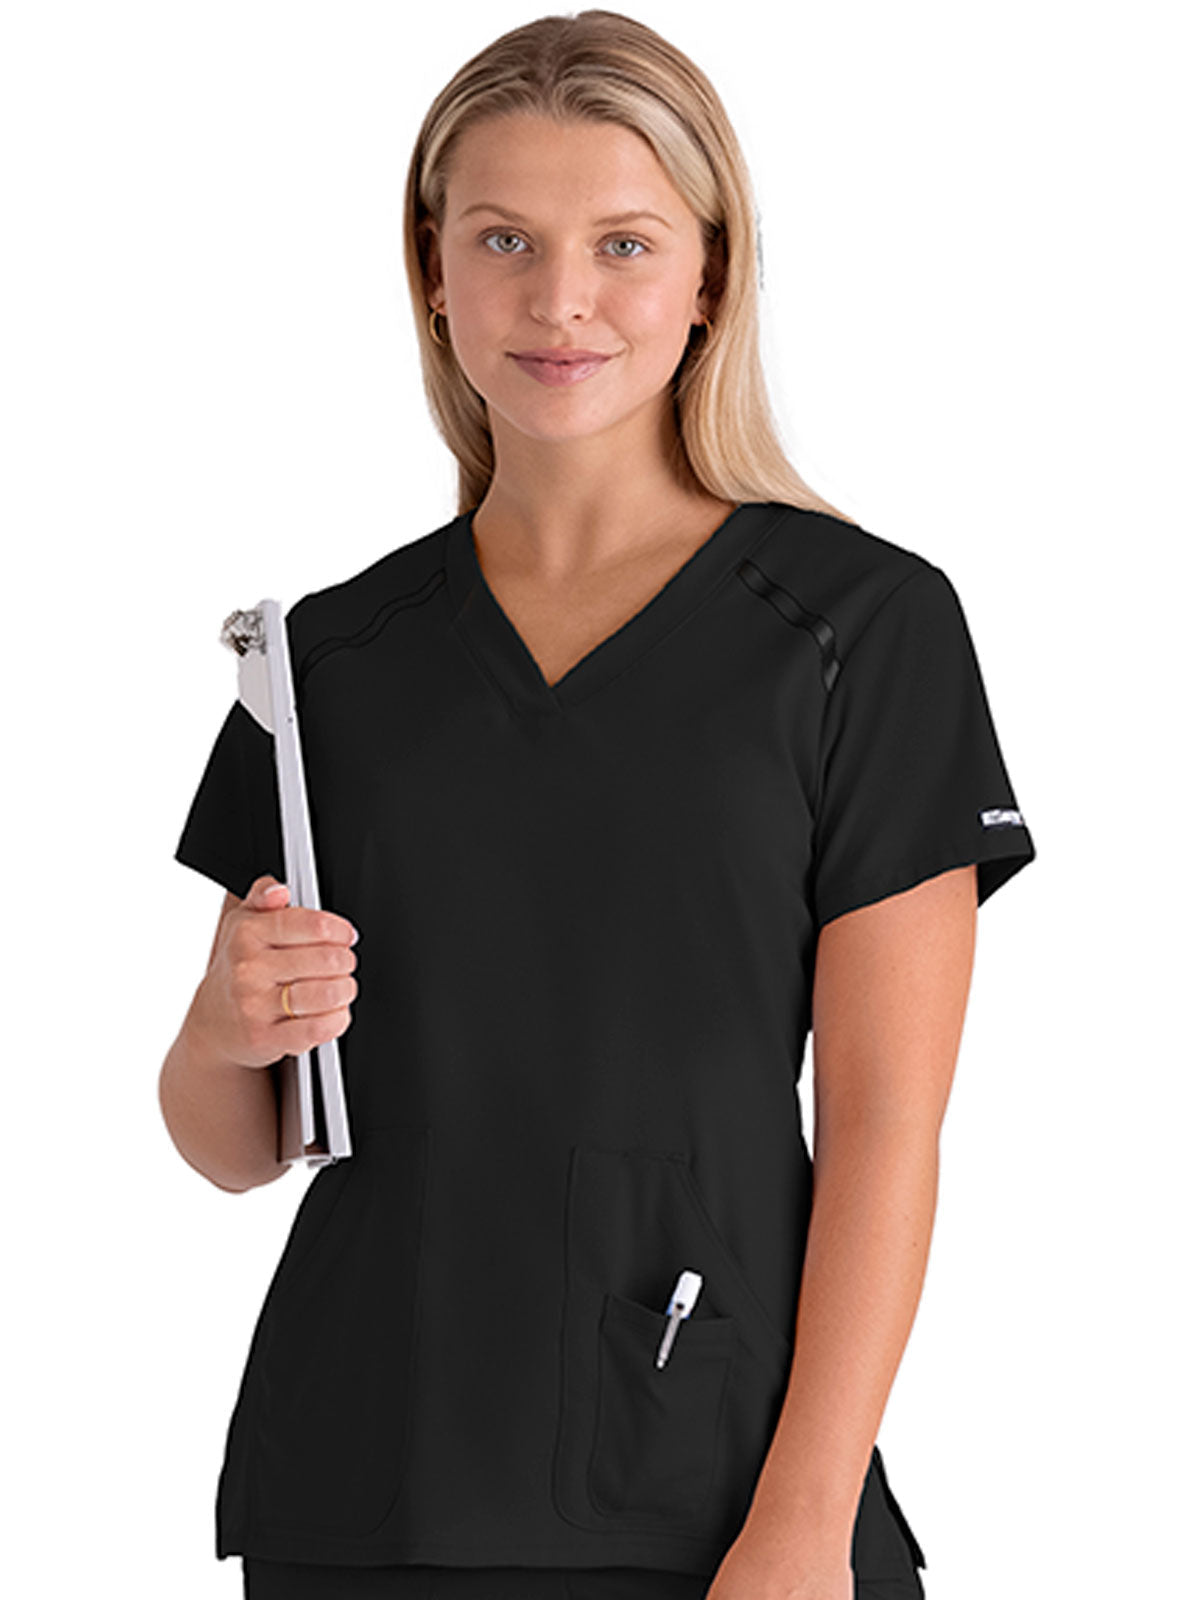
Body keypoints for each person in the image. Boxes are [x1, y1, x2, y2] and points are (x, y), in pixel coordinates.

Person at [159, 11, 1036, 1600]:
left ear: (709, 277)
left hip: (712, 1486)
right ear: (433, 270)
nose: (560, 300)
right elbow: (237, 1143)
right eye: (504, 239)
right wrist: (225, 1033)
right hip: (364, 1489)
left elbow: (885, 1124)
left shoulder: (857, 630)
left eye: (623, 243)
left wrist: (805, 1521)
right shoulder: (333, 661)